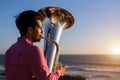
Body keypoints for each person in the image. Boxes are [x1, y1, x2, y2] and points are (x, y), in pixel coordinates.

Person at [5, 10, 66, 80]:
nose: (42, 31)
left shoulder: (9, 51)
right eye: (40, 28)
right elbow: (47, 79)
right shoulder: (34, 50)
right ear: (30, 30)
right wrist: (59, 72)